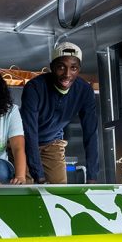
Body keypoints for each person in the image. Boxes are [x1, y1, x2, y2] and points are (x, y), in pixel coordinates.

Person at [20, 41, 99, 184]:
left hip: (53, 142)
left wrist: (92, 177)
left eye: (73, 68)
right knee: (28, 189)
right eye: (61, 67)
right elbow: (29, 131)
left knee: (59, 191)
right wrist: (39, 175)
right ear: (52, 67)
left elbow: (91, 133)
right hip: (24, 142)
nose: (67, 74)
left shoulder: (85, 91)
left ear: (79, 69)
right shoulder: (34, 88)